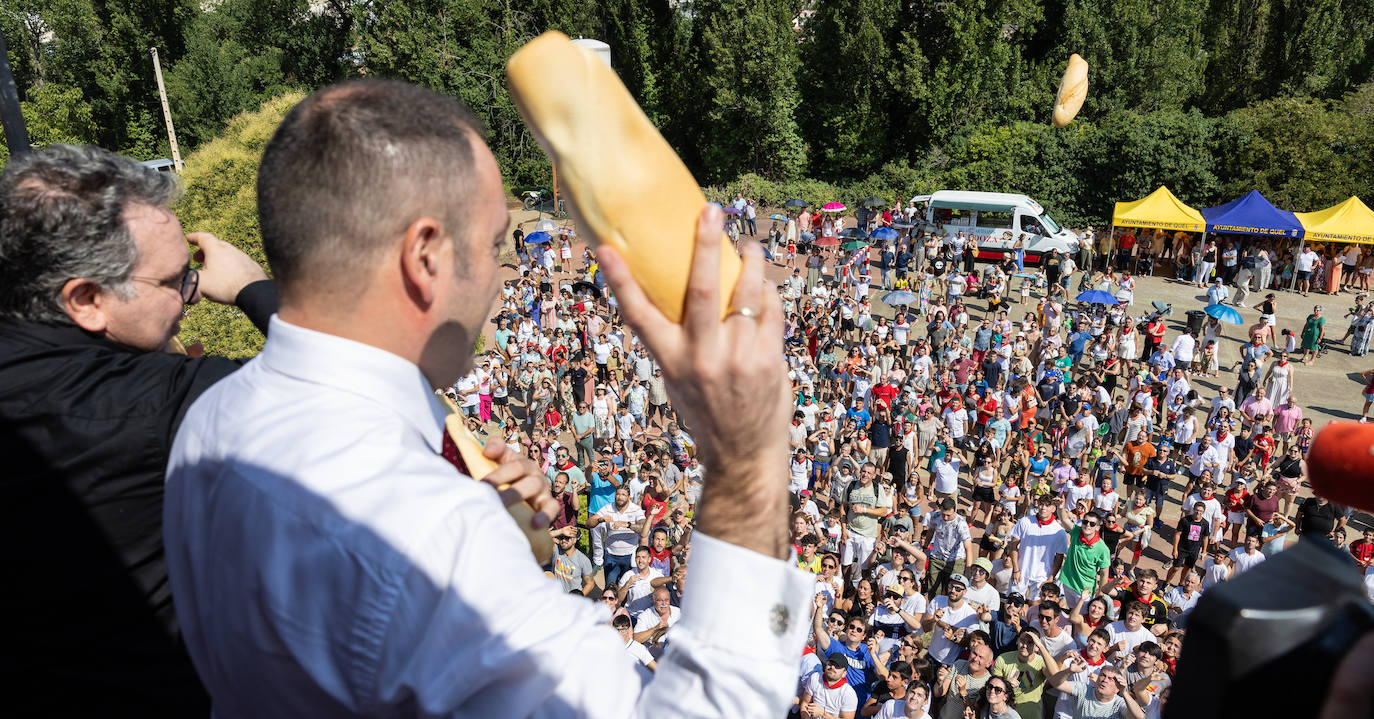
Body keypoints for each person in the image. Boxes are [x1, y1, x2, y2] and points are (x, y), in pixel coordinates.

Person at [163, 80, 813, 717]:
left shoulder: (208, 422)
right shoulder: (436, 533)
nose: (504, 277)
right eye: (496, 244)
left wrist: (488, 521)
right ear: (425, 257)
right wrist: (749, 457)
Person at [0, 144, 276, 713]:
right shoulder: (145, 405)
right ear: (87, 299)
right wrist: (251, 287)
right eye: (176, 282)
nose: (188, 299)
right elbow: (363, 371)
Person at [802, 652, 861, 719]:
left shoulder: (848, 693)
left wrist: (823, 714)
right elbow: (805, 703)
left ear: (844, 673)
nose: (832, 667)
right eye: (830, 664)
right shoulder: (815, 678)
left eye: (837, 666)